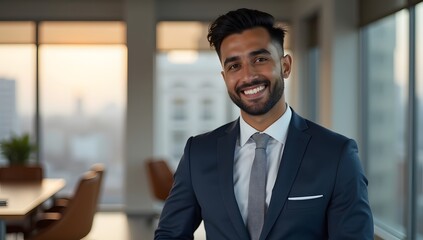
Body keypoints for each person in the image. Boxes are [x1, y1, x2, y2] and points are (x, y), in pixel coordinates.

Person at [155, 8, 373, 240]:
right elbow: (170, 234)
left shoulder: (337, 154)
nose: (248, 76)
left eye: (260, 59)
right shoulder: (197, 153)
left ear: (285, 66)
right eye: (234, 66)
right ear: (224, 78)